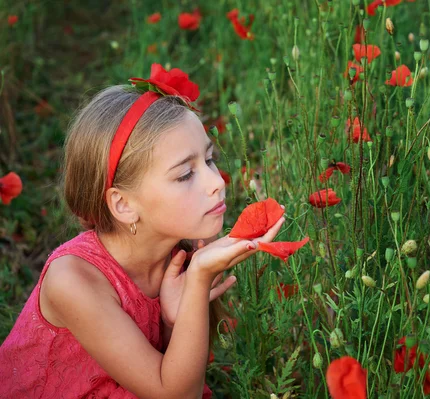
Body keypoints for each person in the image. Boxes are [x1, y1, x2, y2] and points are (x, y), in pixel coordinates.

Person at [0, 64, 284, 398]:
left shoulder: (176, 255)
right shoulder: (73, 280)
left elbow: (168, 366)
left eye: (208, 159)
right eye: (184, 175)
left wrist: (170, 321)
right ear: (123, 205)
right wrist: (199, 279)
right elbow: (175, 394)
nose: (216, 182)